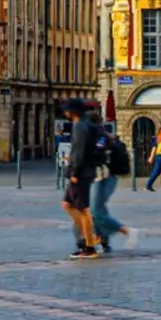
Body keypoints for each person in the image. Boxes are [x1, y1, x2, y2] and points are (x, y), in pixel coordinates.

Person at [89, 121, 139, 254]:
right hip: (108, 177)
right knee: (99, 210)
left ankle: (126, 231)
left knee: (95, 211)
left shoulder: (99, 138)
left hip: (101, 177)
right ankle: (102, 240)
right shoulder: (106, 137)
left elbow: (96, 156)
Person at [62, 99, 102, 258]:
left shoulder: (80, 126)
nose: (65, 113)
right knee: (67, 204)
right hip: (86, 170)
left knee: (82, 209)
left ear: (72, 111)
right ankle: (90, 237)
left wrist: (75, 173)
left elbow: (79, 152)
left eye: (66, 110)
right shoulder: (86, 124)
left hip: (81, 173)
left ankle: (90, 244)